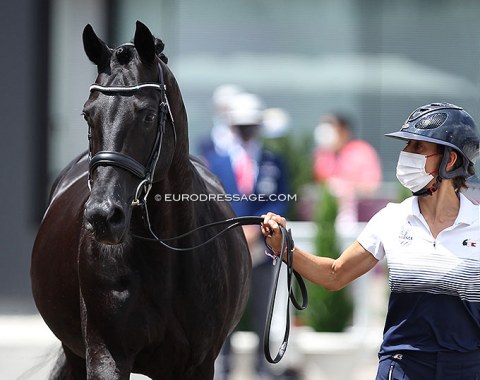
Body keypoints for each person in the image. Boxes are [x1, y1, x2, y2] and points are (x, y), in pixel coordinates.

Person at [261, 103, 480, 379]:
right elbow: (334, 275)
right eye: (406, 146)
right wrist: (284, 247)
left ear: (450, 160)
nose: (406, 155)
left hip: (467, 368)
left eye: (417, 147)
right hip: (401, 366)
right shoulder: (391, 218)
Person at [205, 92, 290, 380]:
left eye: (251, 124)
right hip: (226, 248)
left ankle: (262, 369)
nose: (246, 131)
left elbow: (281, 198)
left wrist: (258, 227)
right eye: (241, 125)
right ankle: (223, 368)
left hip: (262, 247)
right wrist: (235, 227)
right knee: (224, 311)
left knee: (263, 312)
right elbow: (208, 199)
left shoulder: (272, 160)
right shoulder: (215, 161)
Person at [313, 113, 382, 226]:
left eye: (332, 127)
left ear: (344, 130)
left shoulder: (362, 151)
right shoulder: (322, 154)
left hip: (360, 220)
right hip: (327, 219)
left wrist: (346, 188)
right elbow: (318, 183)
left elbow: (372, 187)